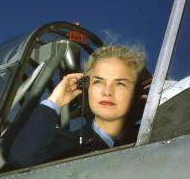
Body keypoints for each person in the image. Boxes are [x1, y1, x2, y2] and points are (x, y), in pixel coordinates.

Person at [8, 45, 146, 167]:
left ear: (137, 91)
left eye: (120, 83)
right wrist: (55, 100)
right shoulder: (60, 143)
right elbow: (22, 158)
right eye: (98, 82)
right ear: (87, 87)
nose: (107, 92)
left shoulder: (153, 136)